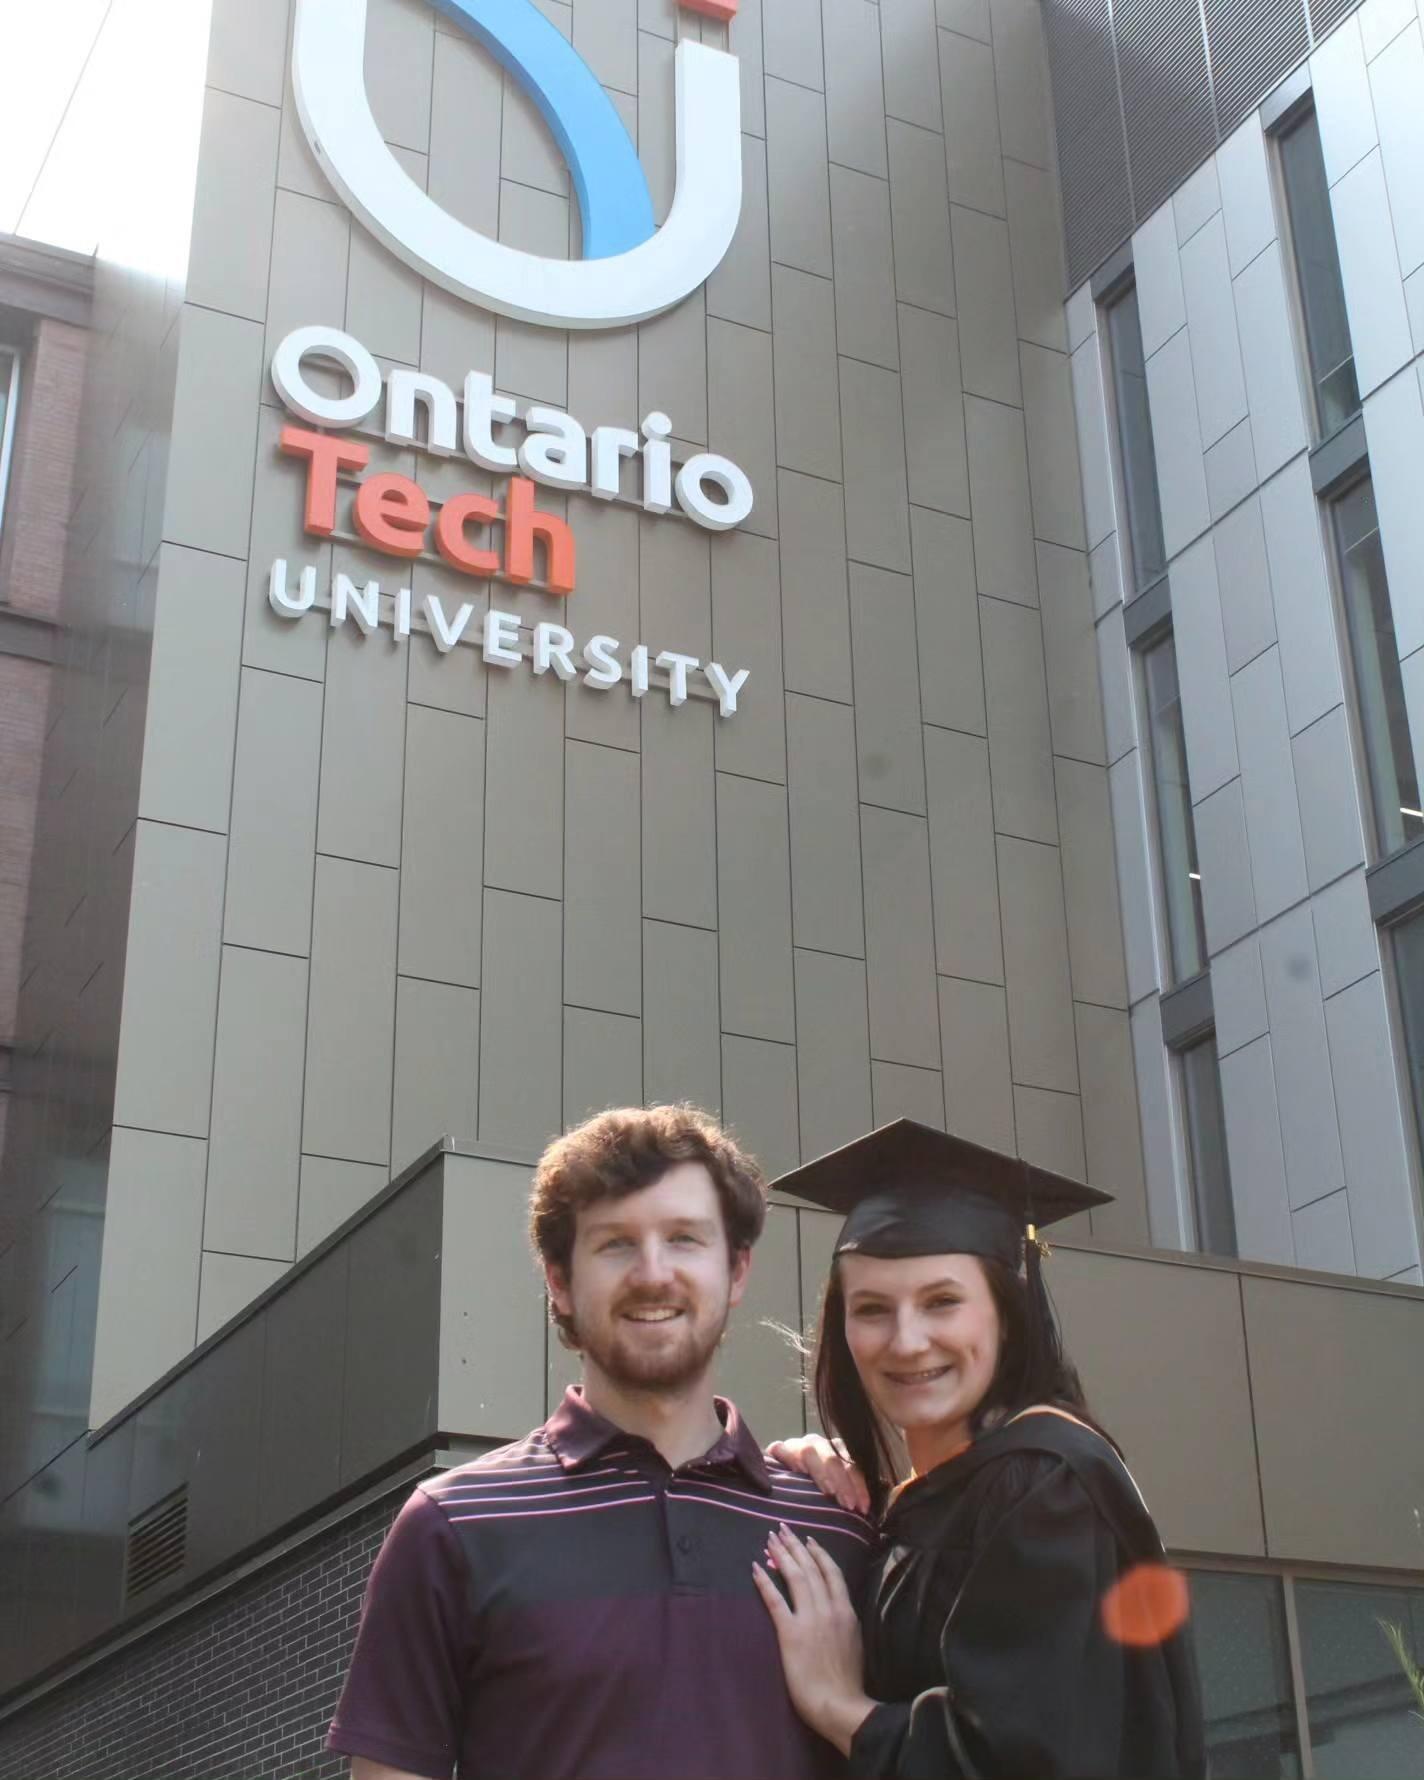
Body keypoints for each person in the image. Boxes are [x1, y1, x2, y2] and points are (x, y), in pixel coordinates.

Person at [326, 1104, 873, 1780]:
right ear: (559, 1281)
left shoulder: (839, 1526)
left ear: (736, 1272)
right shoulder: (453, 1526)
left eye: (684, 1239)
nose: (652, 1273)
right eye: (615, 1243)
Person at [753, 1119, 1206, 1780]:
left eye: (942, 1302)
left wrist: (838, 1705)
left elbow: (1016, 1761)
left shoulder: (1044, 1486)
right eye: (872, 1309)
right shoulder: (960, 1490)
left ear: (1007, 1307)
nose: (906, 1342)